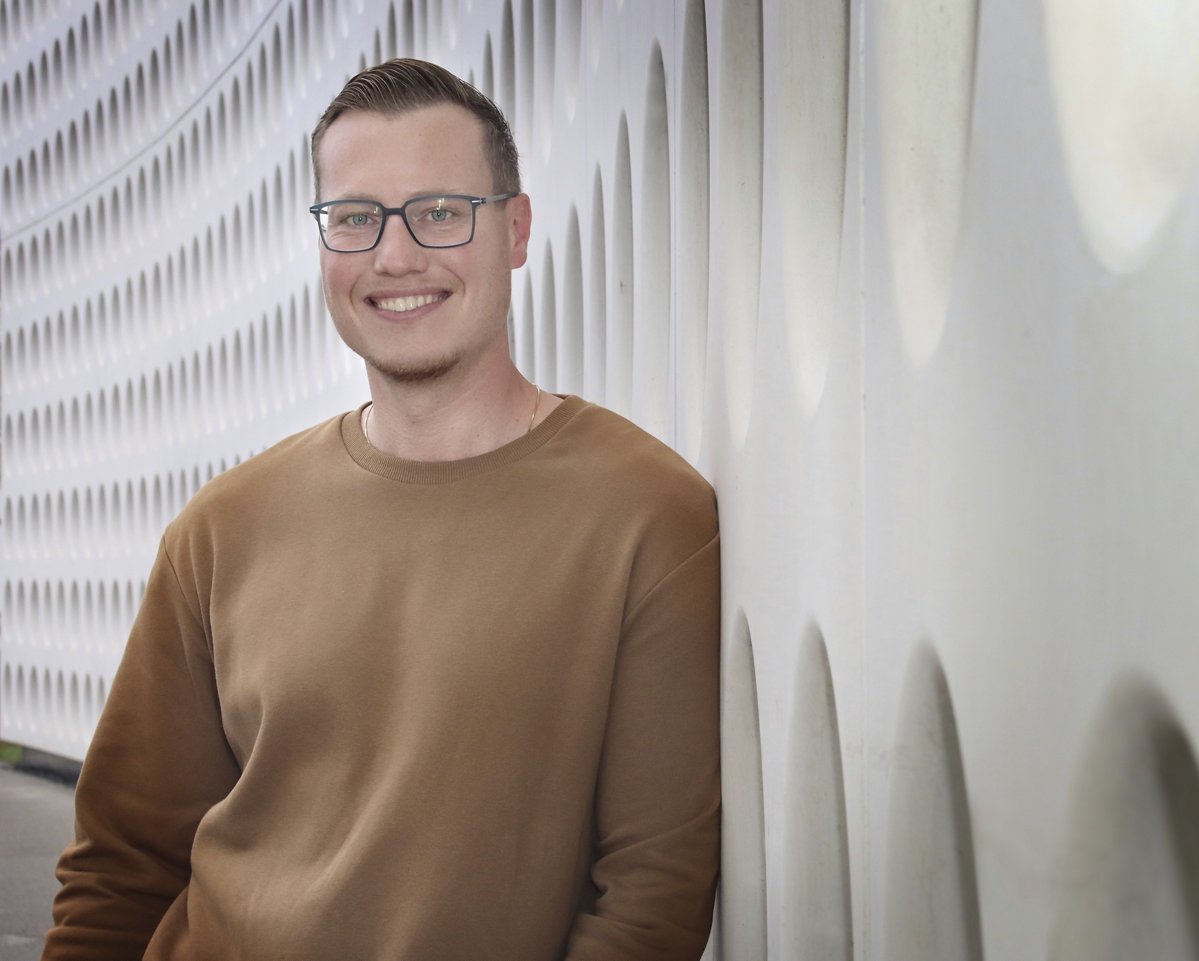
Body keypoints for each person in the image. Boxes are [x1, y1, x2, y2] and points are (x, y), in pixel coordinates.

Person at [43, 58, 720, 961]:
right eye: (356, 218)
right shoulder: (221, 528)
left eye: (440, 211)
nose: (395, 257)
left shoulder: (648, 515)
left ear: (514, 229)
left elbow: (651, 892)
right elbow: (120, 868)